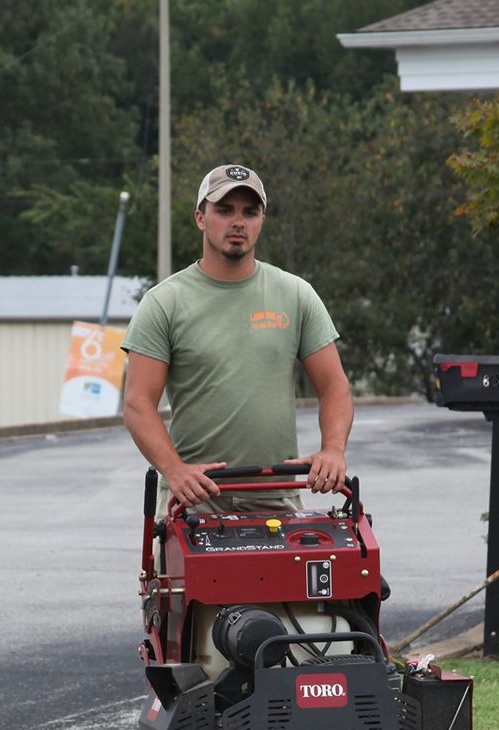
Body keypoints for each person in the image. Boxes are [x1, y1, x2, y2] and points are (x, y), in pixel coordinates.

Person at [122, 164, 353, 513]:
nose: (238, 222)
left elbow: (335, 387)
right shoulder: (164, 302)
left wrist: (333, 450)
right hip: (193, 505)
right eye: (224, 210)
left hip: (277, 500)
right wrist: (174, 470)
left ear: (261, 220)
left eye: (250, 212)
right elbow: (138, 403)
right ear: (201, 217)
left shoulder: (295, 294)